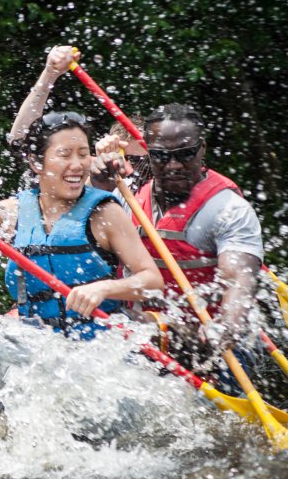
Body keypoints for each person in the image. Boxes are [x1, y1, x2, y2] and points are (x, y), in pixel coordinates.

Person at [0, 111, 162, 337]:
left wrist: (105, 289)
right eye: (65, 155)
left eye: (84, 154)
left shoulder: (105, 212)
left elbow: (152, 282)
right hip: (34, 343)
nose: (77, 165)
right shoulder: (13, 211)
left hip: (97, 348)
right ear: (36, 162)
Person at [91, 104, 265, 374]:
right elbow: (79, 237)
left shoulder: (229, 209)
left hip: (211, 342)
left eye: (184, 154)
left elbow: (238, 282)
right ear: (148, 152)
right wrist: (97, 187)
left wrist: (226, 325)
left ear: (202, 149)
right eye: (161, 156)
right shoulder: (126, 200)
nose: (173, 165)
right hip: (147, 331)